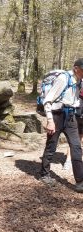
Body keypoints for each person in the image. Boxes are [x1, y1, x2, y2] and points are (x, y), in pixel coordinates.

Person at [40, 58, 83, 192]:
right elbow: (47, 101)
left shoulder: (79, 81)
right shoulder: (63, 79)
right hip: (56, 116)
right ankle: (44, 174)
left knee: (76, 147)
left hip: (70, 117)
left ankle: (80, 181)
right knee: (51, 146)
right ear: (76, 68)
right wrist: (50, 120)